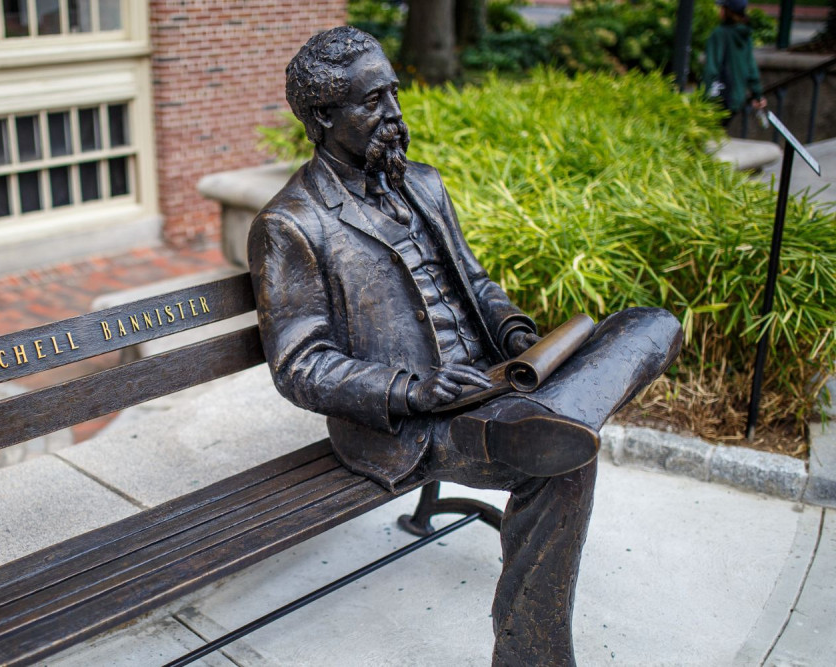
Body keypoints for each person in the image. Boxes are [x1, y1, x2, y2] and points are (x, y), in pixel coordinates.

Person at [248, 26, 683, 665]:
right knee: (563, 463)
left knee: (653, 324)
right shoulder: (292, 225)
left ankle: (551, 413)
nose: (394, 115)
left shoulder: (423, 184)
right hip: (413, 425)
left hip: (497, 382)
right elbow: (299, 365)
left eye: (393, 94)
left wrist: (513, 333)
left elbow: (476, 283)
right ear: (322, 116)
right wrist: (409, 390)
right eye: (373, 102)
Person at [703, 0, 768, 123]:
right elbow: (751, 68)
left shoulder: (719, 34)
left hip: (718, 97)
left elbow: (711, 68)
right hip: (736, 97)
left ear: (728, 11)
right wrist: (757, 95)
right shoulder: (745, 34)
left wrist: (703, 97)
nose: (720, 11)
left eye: (722, 8)